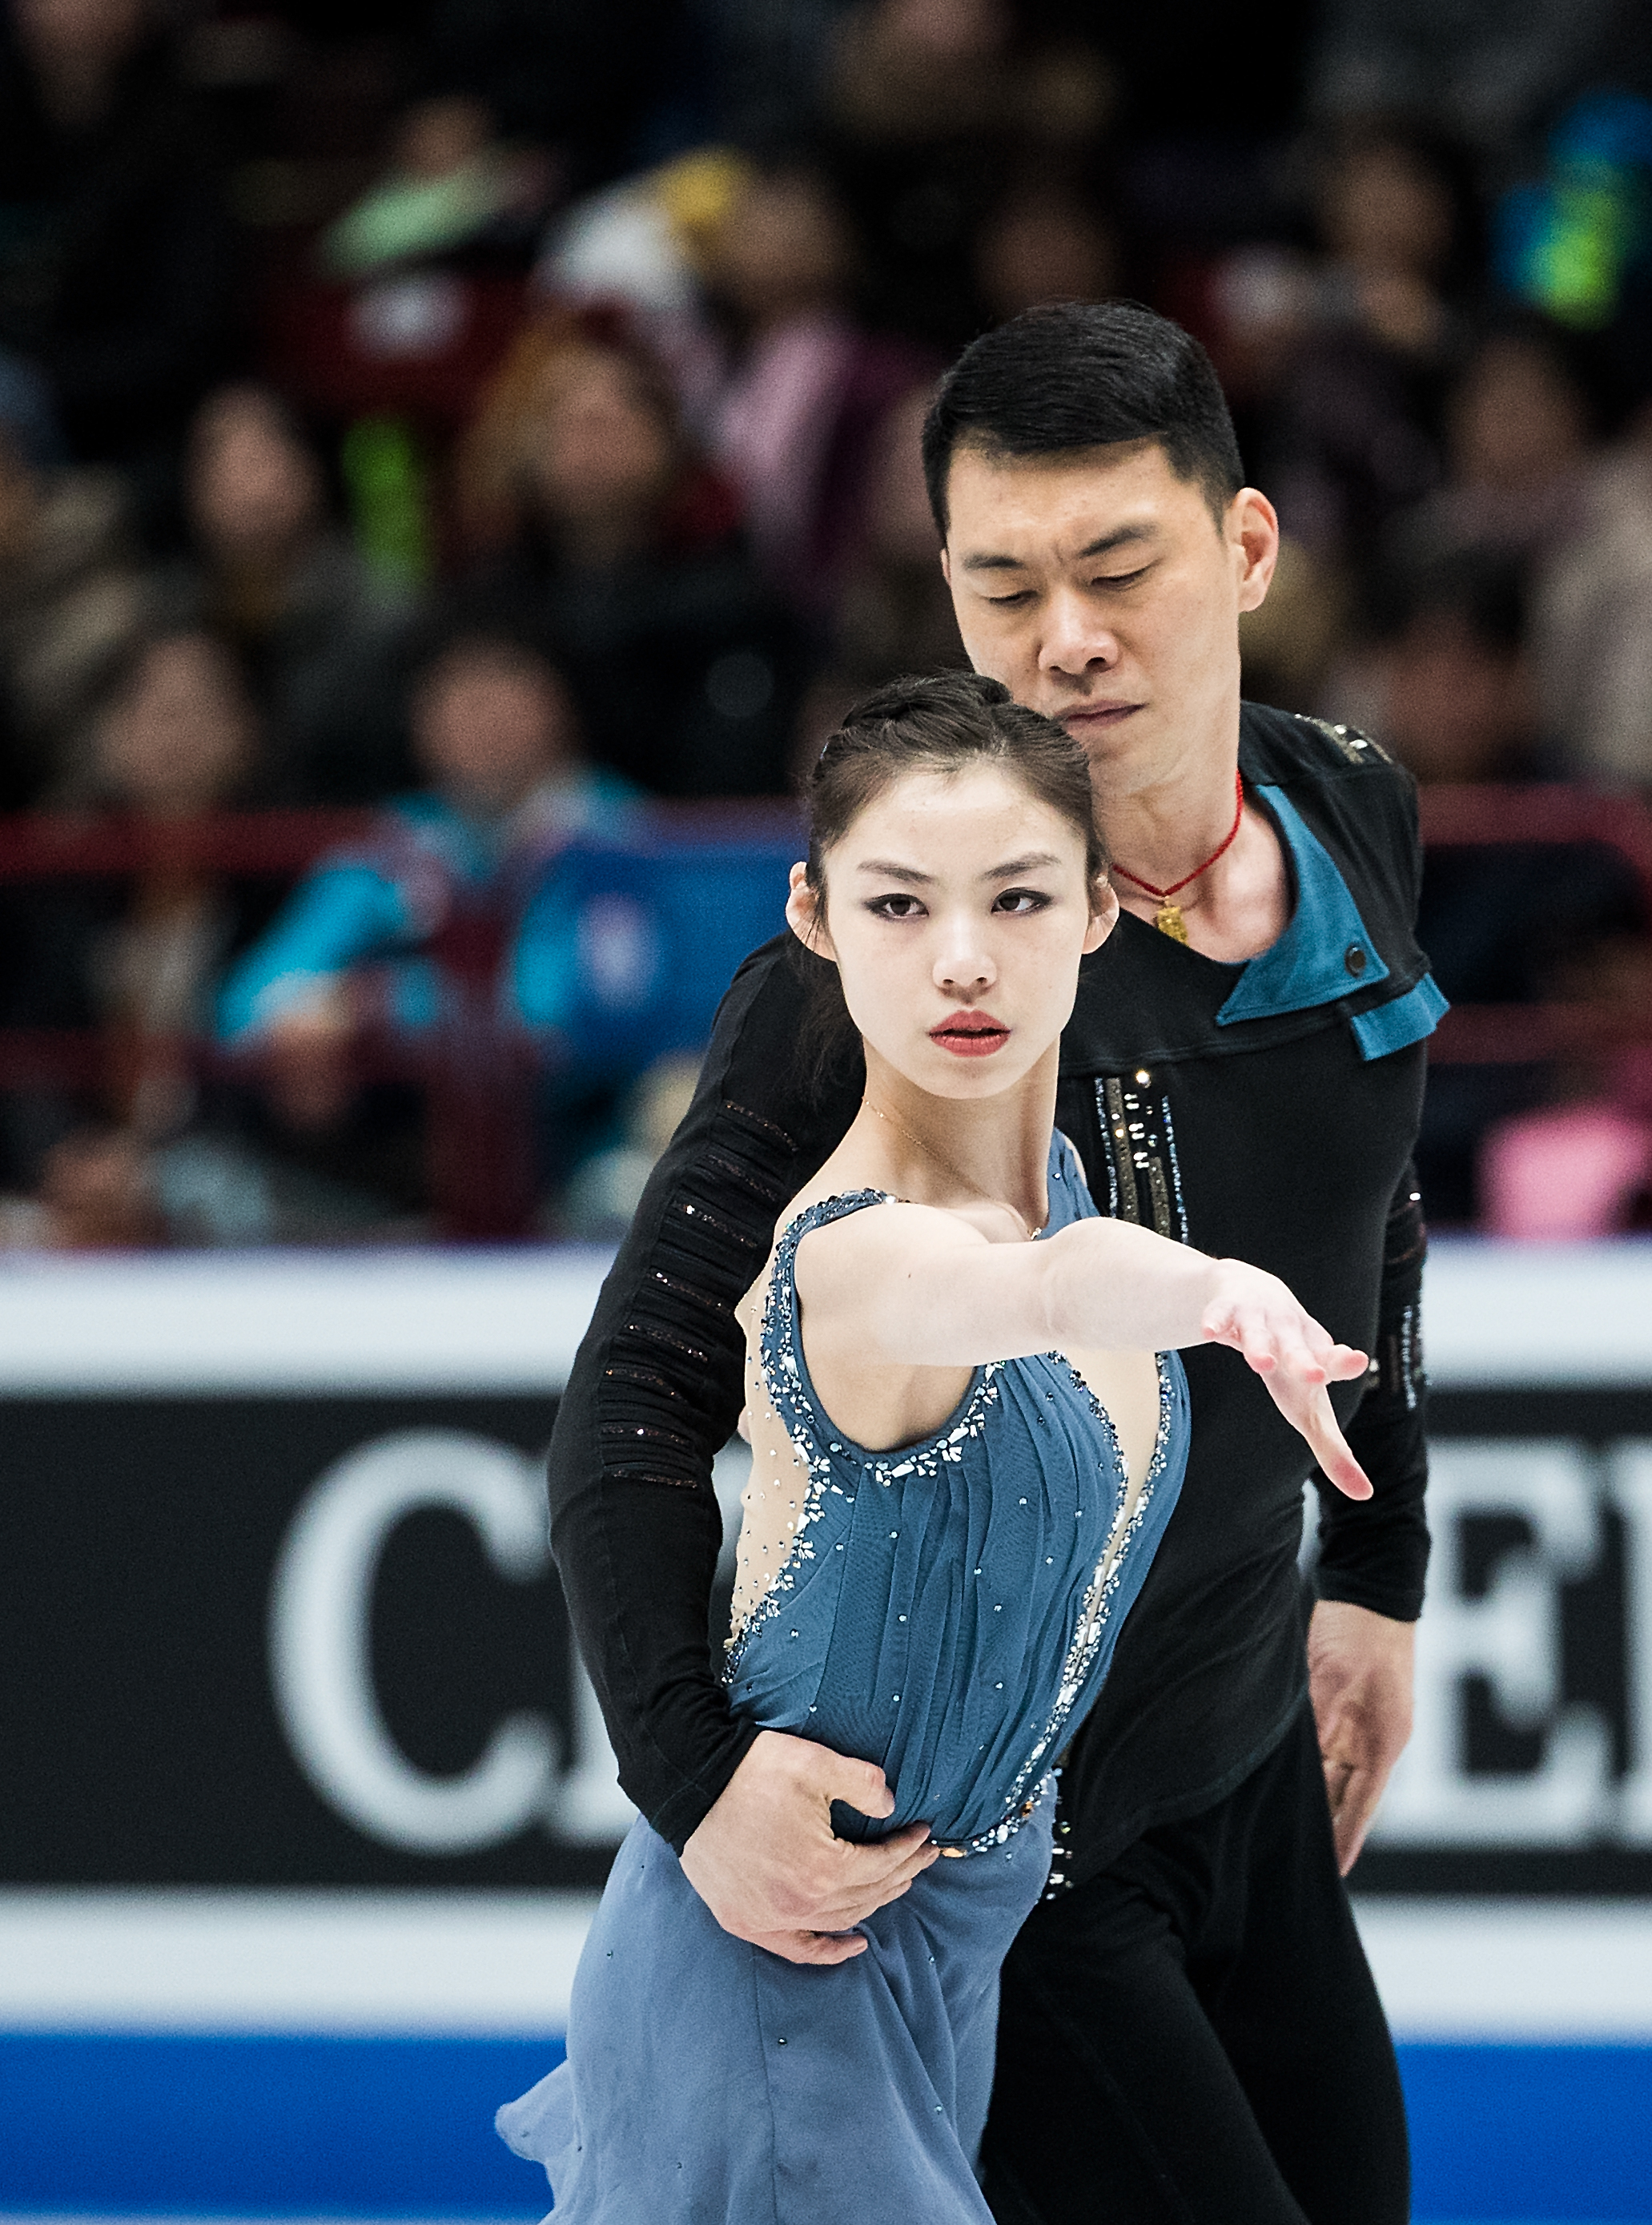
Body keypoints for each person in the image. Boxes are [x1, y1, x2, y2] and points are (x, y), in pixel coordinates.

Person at [549, 301, 1441, 2223]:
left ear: (1249, 551)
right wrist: (690, 1777)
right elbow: (631, 1406)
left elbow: (1377, 1197)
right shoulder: (891, 966)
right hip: (1003, 1860)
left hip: (1247, 1762)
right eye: (1003, 584)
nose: (1066, 640)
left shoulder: (1356, 804)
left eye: (1119, 568)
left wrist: (1374, 1568)